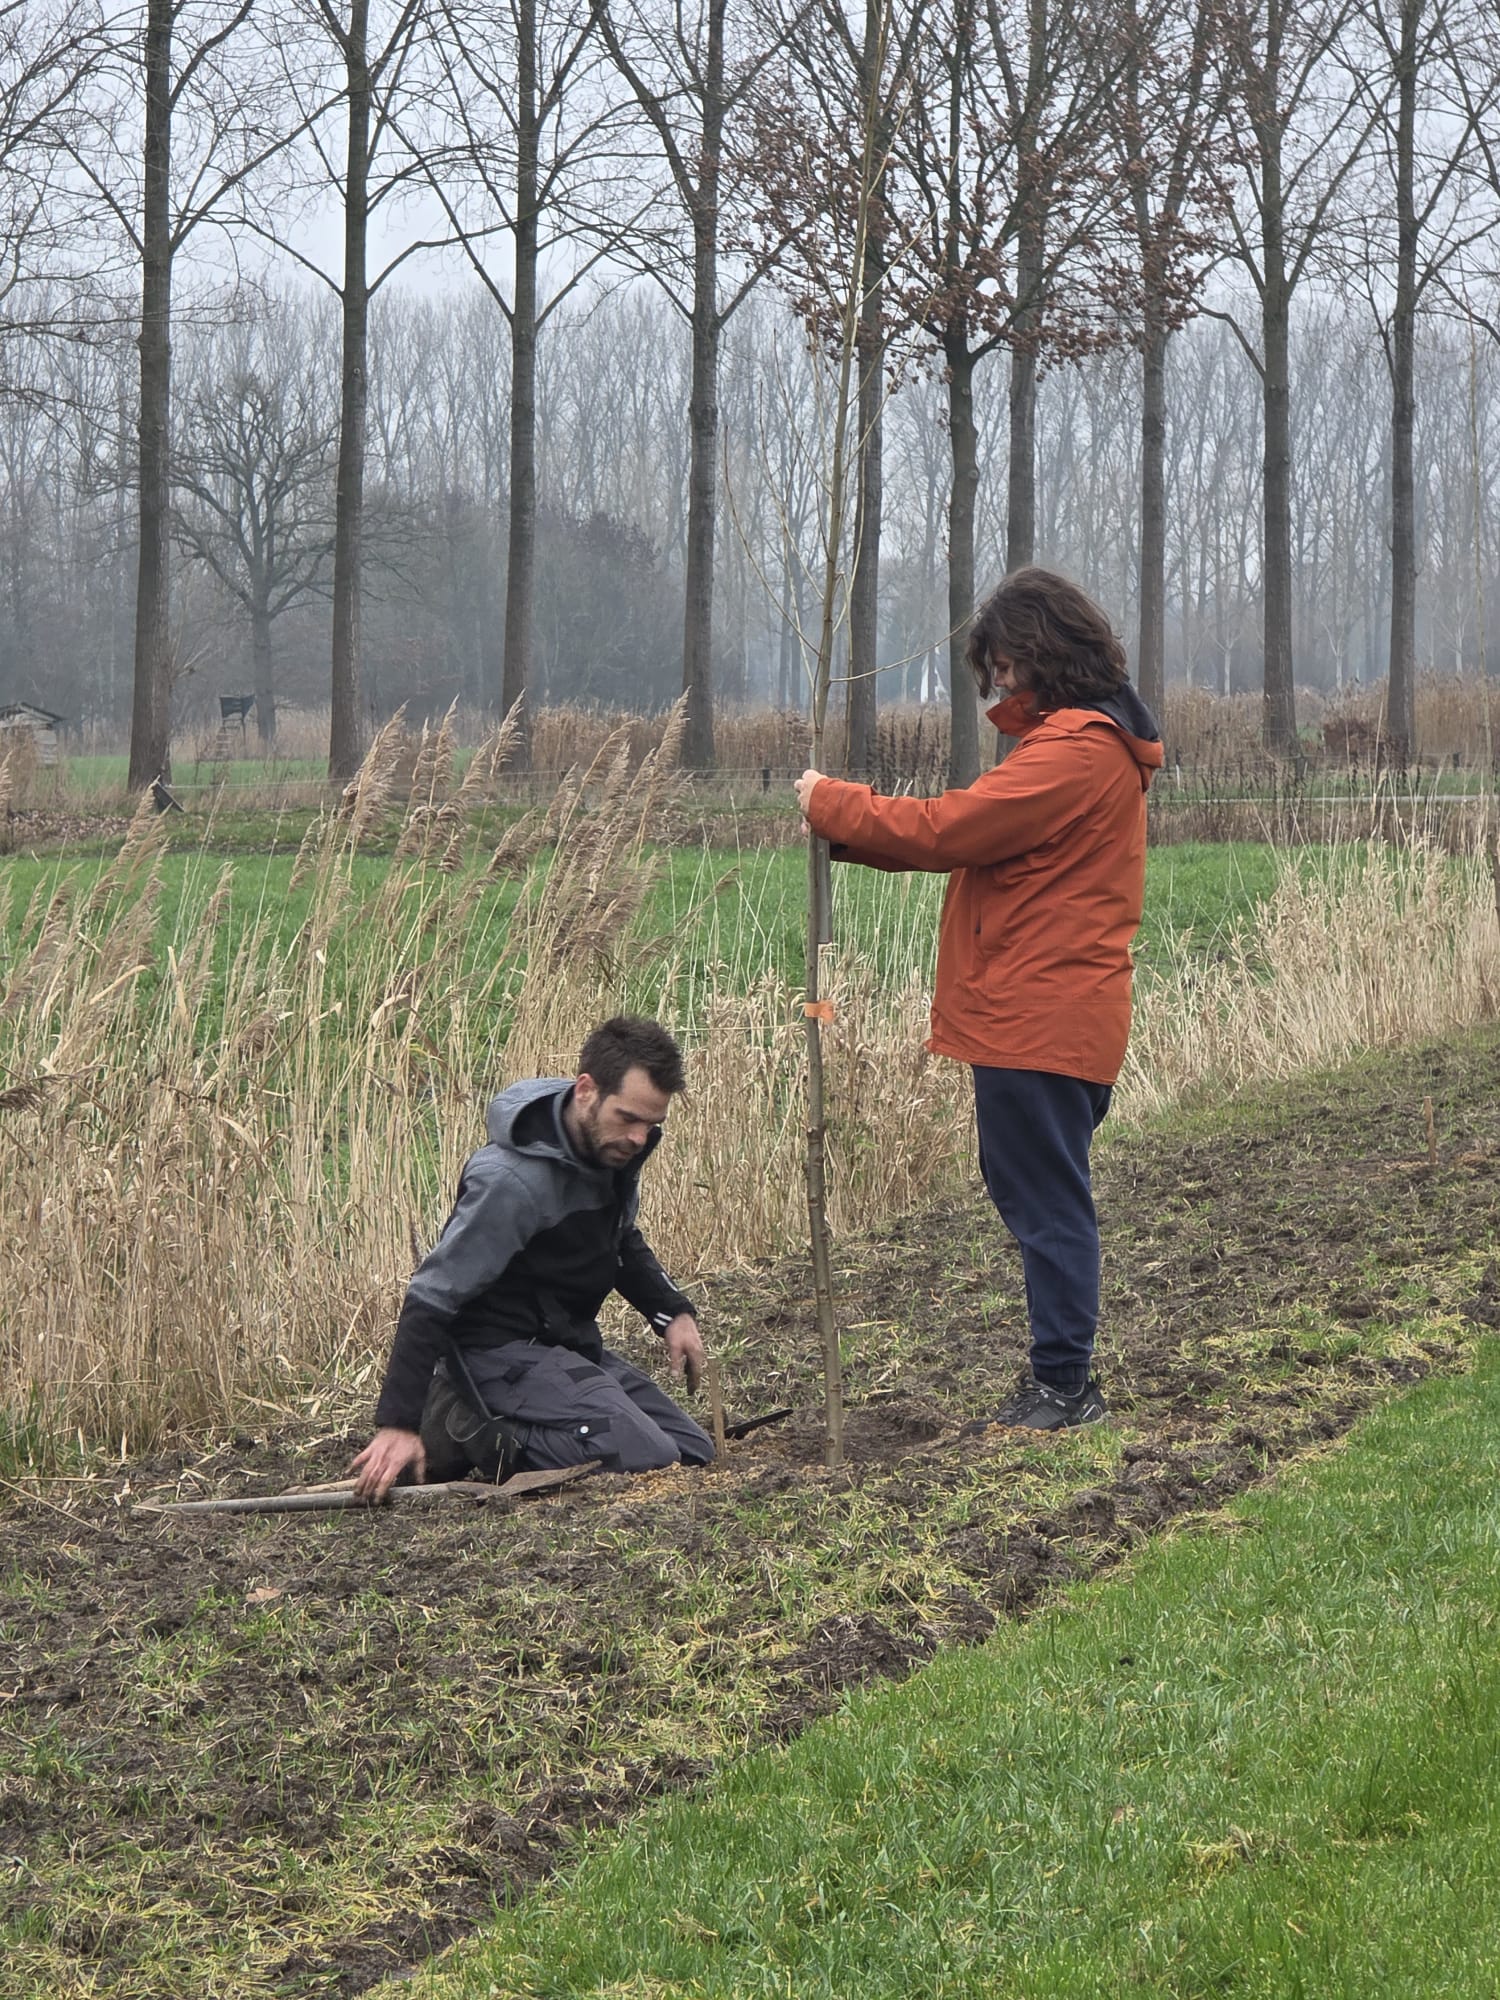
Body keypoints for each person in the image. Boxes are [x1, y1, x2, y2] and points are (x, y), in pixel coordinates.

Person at [794, 566, 1163, 1431]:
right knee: (1036, 1191)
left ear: (1042, 652)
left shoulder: (1075, 752)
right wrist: (842, 837)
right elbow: (972, 845)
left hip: (1039, 1018)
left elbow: (948, 828)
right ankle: (1059, 1378)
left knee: (1045, 1201)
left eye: (1002, 662)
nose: (996, 680)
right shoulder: (1081, 744)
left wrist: (829, 803)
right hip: (1044, 1017)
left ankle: (1065, 1387)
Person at [350, 1015, 713, 1499]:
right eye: (628, 1118)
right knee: (648, 1456)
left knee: (692, 1449)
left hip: (561, 1347)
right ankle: (467, 1426)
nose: (639, 1138)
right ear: (586, 1090)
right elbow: (431, 1295)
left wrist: (672, 1312)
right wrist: (398, 1423)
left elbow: (619, 1240)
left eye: (652, 1124)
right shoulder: (510, 1182)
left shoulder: (606, 1150)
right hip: (495, 1353)